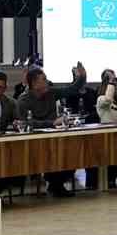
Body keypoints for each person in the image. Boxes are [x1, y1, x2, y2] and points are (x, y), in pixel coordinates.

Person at [16, 67, 75, 197]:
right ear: (34, 83)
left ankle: (56, 184)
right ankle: (55, 184)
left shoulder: (51, 93)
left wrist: (81, 77)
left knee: (72, 151)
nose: (47, 81)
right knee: (51, 153)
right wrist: (52, 123)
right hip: (34, 141)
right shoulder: (23, 100)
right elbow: (26, 123)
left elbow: (71, 89)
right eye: (44, 79)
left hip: (55, 137)